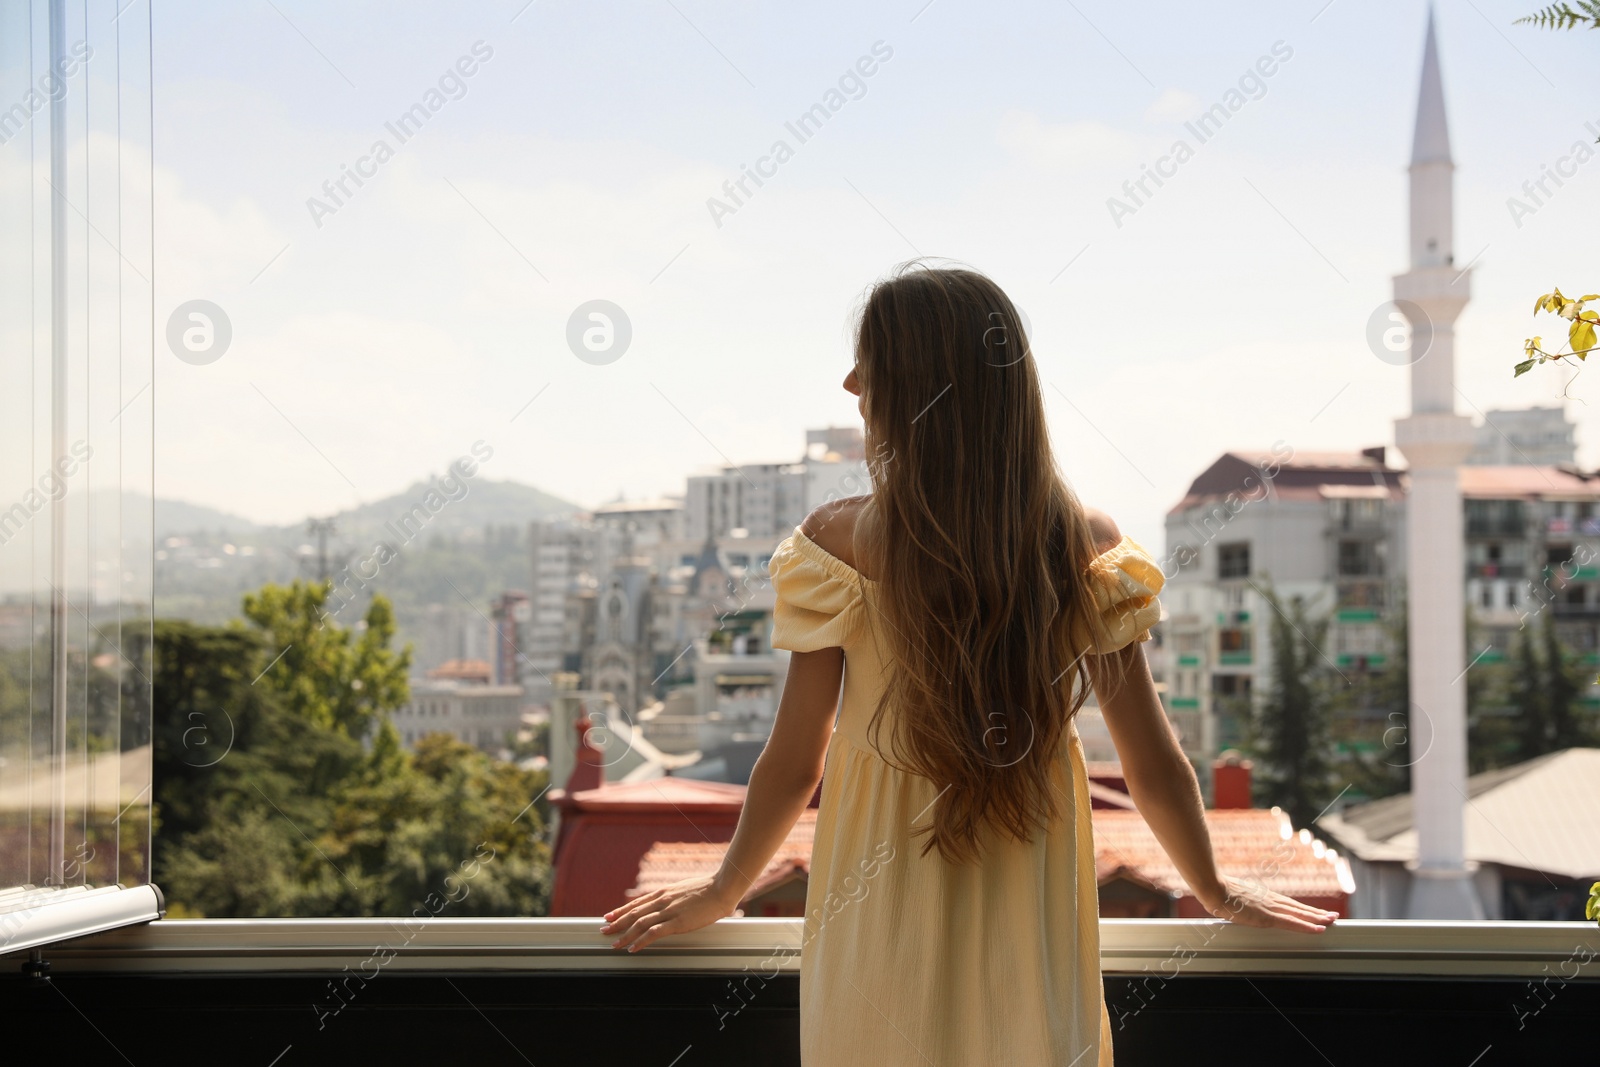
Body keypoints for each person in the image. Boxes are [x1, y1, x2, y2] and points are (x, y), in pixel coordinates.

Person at [601, 264, 1336, 1064]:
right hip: (1032, 908)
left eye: (870, 361)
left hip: (875, 906)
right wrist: (1215, 886)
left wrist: (723, 887)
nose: (850, 382)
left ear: (922, 387)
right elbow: (1152, 755)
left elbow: (794, 756)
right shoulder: (1081, 545)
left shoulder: (837, 543)